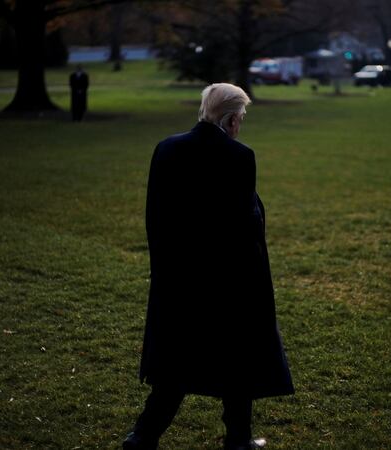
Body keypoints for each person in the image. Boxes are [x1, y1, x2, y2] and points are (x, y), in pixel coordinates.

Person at [123, 83, 294, 450]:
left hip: (177, 277)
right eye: (242, 117)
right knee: (238, 361)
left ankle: (144, 436)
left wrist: (165, 269)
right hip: (228, 280)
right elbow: (243, 226)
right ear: (231, 119)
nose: (242, 124)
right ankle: (237, 439)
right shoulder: (239, 156)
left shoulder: (166, 149)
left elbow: (155, 218)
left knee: (176, 365)